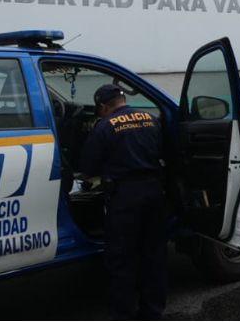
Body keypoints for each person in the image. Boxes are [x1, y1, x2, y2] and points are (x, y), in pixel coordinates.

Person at [79, 84, 168, 320]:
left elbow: (88, 168)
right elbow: (164, 152)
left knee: (122, 258)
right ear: (122, 100)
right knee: (154, 255)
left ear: (103, 106)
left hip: (125, 198)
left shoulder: (104, 126)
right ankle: (152, 312)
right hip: (154, 192)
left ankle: (123, 314)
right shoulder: (150, 119)